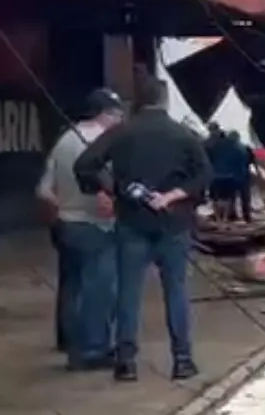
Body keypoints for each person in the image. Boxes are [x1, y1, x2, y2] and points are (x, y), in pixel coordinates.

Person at [74, 75, 212, 382]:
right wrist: (173, 196)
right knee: (176, 291)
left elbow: (85, 165)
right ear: (164, 100)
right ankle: (182, 361)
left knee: (129, 293)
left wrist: (110, 189)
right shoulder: (183, 134)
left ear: (137, 101)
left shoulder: (121, 132)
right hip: (174, 224)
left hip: (132, 223)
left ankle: (126, 363)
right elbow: (205, 174)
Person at [35, 89, 123, 371]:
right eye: (118, 115)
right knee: (99, 290)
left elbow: (43, 189)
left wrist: (64, 205)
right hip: (96, 226)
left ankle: (70, 342)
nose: (121, 121)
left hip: (65, 224)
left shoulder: (64, 139)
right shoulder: (102, 142)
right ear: (106, 114)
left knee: (72, 288)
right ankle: (92, 350)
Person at [225, 130, 256, 223]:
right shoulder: (245, 148)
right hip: (243, 175)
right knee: (245, 198)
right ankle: (247, 216)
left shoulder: (227, 149)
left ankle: (232, 215)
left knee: (231, 197)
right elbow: (251, 160)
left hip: (231, 175)